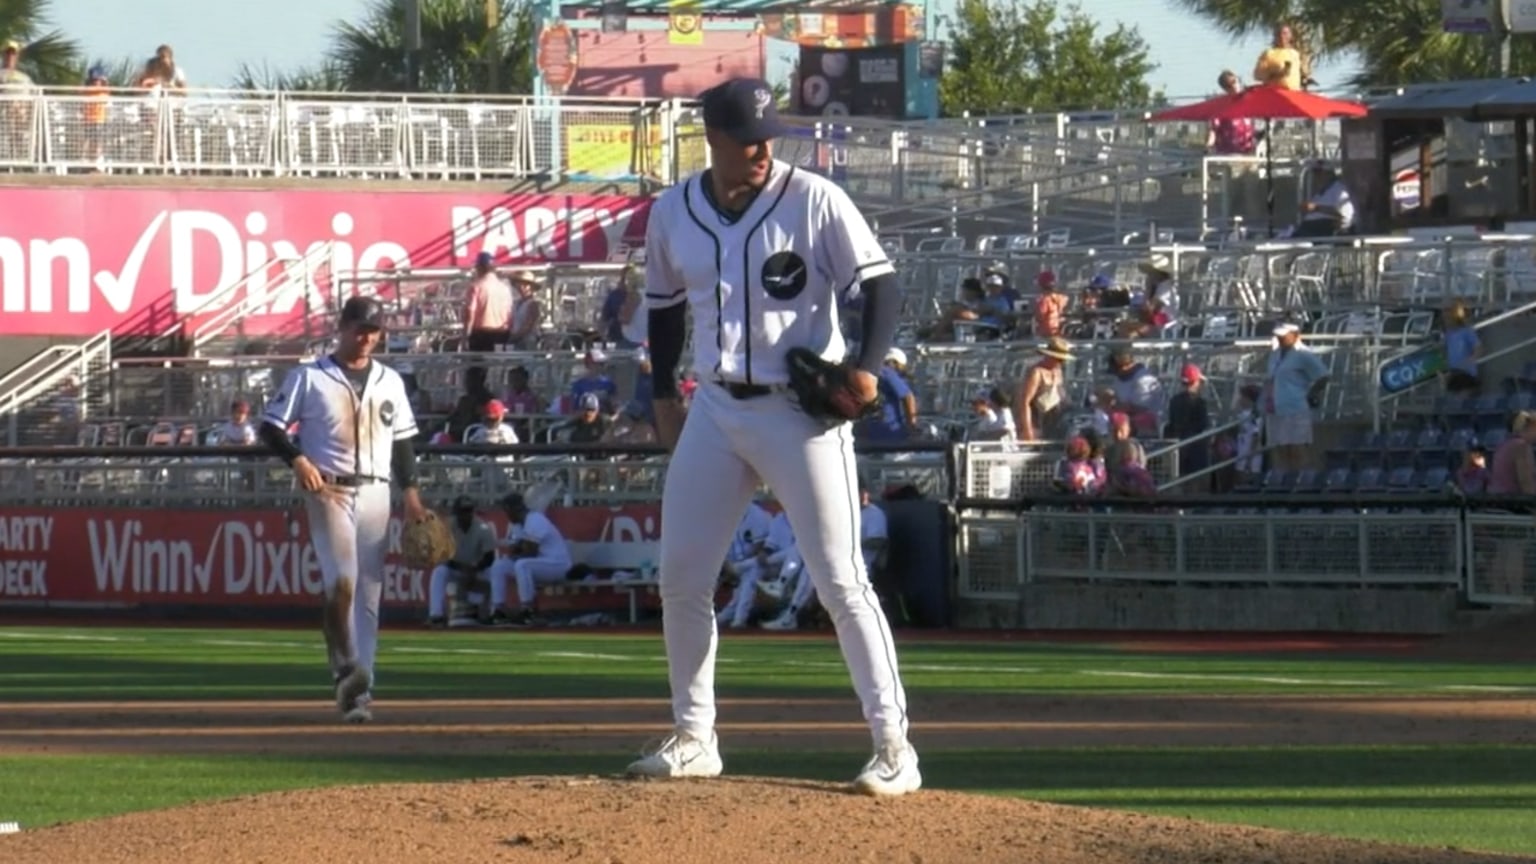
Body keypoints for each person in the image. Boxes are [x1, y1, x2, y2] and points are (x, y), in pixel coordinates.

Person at [631, 76, 918, 796]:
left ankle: (894, 747)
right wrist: (663, 391)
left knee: (841, 581)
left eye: (768, 134)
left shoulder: (814, 198)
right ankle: (695, 737)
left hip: (799, 413)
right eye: (747, 137)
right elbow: (664, 309)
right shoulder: (674, 210)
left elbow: (880, 285)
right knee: (682, 579)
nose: (762, 148)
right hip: (717, 409)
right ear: (714, 141)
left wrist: (869, 367)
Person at [258, 296, 426, 723]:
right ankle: (345, 671)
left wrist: (411, 496)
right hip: (329, 490)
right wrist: (298, 459)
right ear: (342, 327)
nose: (367, 337)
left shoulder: (390, 380)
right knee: (342, 583)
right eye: (359, 328)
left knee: (369, 592)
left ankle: (359, 688)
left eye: (373, 330)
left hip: (377, 491)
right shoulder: (310, 376)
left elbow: (403, 443)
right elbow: (270, 428)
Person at [487, 492, 573, 625]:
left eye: (507, 510)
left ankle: (528, 610)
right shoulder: (517, 525)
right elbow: (515, 550)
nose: (506, 515)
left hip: (557, 565)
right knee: (499, 566)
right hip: (539, 565)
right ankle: (499, 610)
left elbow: (529, 552)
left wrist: (518, 550)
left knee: (522, 564)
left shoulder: (535, 519)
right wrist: (516, 550)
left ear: (516, 509)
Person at [1264, 323, 1329, 471]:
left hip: (1295, 407)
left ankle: (1301, 481)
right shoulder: (1275, 354)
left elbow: (1323, 375)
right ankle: (1283, 481)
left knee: (1297, 447)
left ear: (1295, 335)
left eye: (1284, 336)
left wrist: (1311, 393)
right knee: (1280, 447)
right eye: (1278, 336)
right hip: (1275, 407)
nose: (1280, 339)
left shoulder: (1303, 354)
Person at [426, 496, 499, 628]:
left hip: (478, 569)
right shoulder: (446, 527)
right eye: (463, 511)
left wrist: (475, 568)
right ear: (456, 513)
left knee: (495, 571)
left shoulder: (482, 527)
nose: (466, 515)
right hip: (456, 568)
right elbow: (442, 556)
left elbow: (490, 557)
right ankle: (436, 615)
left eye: (469, 511)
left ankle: (494, 613)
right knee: (439, 571)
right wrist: (463, 568)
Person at [1016, 337, 1072, 442]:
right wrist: (1028, 429)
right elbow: (1025, 401)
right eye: (1058, 359)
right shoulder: (1037, 372)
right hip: (1037, 420)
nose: (1060, 362)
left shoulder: (1058, 372)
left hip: (1055, 420)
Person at [464, 251, 513, 352]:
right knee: (498, 364)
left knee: (478, 365)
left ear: (480, 268)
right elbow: (509, 313)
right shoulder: (504, 288)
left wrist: (466, 335)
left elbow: (470, 313)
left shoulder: (476, 287)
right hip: (502, 333)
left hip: (481, 334)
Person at [1442, 302, 1481, 395]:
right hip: (1454, 371)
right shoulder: (1448, 334)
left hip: (1466, 373)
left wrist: (1471, 360)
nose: (1446, 320)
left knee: (1464, 397)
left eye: (1448, 318)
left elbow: (1478, 347)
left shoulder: (1467, 331)